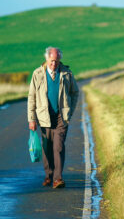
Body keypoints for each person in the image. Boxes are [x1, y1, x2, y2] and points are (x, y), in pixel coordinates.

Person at [28, 47, 79, 188]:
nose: (54, 64)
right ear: (47, 59)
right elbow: (31, 97)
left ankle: (58, 178)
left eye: (56, 61)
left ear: (60, 59)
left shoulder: (67, 73)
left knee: (58, 147)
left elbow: (75, 92)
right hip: (44, 118)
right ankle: (48, 175)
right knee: (47, 148)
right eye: (51, 61)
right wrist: (31, 119)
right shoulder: (37, 74)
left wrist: (70, 111)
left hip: (61, 118)